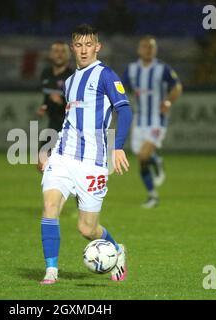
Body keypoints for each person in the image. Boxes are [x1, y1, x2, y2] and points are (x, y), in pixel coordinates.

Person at [40, 24, 133, 284]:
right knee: (50, 208)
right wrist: (49, 150)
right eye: (78, 45)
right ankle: (51, 271)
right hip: (63, 157)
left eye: (88, 45)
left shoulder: (106, 75)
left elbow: (124, 110)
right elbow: (68, 121)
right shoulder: (69, 81)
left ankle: (116, 251)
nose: (83, 50)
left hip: (93, 164)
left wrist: (118, 146)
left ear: (97, 47)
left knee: (87, 229)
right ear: (73, 48)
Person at [123, 35, 182, 209]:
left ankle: (155, 162)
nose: (148, 50)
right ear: (139, 50)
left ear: (155, 50)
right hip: (139, 120)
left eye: (151, 47)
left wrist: (169, 101)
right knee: (142, 159)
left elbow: (177, 86)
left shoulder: (162, 69)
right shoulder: (131, 69)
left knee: (143, 155)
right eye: (145, 47)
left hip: (157, 120)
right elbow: (121, 88)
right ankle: (152, 194)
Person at [36, 41, 73, 172]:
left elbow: (81, 103)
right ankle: (56, 191)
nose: (59, 54)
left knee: (69, 169)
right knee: (41, 164)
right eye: (56, 51)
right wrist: (44, 106)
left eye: (63, 51)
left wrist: (62, 102)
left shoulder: (73, 76)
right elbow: (47, 97)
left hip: (70, 128)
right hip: (52, 125)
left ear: (69, 55)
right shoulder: (46, 74)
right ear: (51, 54)